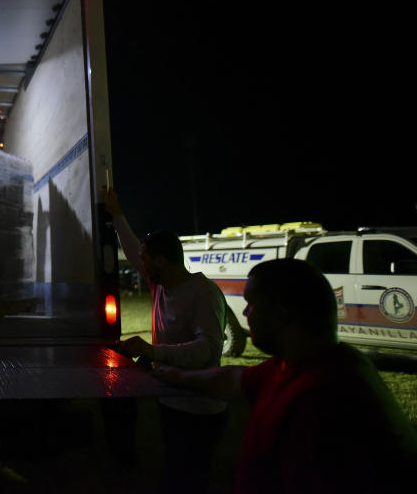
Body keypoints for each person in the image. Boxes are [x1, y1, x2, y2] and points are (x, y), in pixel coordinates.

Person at [155, 258, 417, 493]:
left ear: (281, 314)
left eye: (251, 305)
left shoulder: (320, 400)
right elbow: (234, 379)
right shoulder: (297, 364)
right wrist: (175, 376)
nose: (245, 314)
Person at [99, 186, 227, 494]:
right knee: (174, 469)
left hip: (200, 408)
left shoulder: (203, 293)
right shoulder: (161, 286)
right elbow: (132, 249)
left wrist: (153, 350)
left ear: (162, 261)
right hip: (172, 399)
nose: (138, 264)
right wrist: (117, 216)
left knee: (187, 477)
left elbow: (208, 350)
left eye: (145, 260)